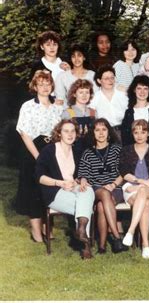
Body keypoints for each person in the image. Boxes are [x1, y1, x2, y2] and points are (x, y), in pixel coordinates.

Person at [35, 119, 95, 259]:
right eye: (66, 131)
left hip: (72, 187)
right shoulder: (49, 150)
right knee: (85, 205)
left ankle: (81, 231)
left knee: (88, 190)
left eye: (73, 131)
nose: (70, 134)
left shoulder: (76, 150)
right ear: (59, 133)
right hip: (53, 191)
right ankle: (85, 245)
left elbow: (79, 174)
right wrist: (59, 183)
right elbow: (39, 177)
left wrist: (81, 180)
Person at [16, 70, 63, 242]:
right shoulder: (28, 106)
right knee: (34, 190)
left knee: (49, 190)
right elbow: (24, 134)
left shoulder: (57, 108)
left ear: (52, 86)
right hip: (33, 151)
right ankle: (36, 231)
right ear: (35, 86)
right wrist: (38, 156)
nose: (44, 87)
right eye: (41, 84)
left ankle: (48, 228)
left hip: (52, 151)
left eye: (48, 84)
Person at [77, 118, 128, 254]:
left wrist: (113, 184)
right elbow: (83, 174)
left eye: (104, 129)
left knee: (101, 206)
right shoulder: (88, 153)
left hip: (115, 188)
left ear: (109, 133)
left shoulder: (117, 150)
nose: (101, 133)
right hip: (96, 189)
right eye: (97, 130)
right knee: (104, 194)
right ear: (92, 133)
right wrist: (82, 179)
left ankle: (102, 246)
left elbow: (124, 172)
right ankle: (117, 238)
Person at [119, 120, 149, 259]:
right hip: (131, 187)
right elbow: (125, 173)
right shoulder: (126, 150)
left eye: (143, 132)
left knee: (143, 192)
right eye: (136, 132)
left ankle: (130, 231)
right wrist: (140, 182)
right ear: (132, 134)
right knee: (146, 205)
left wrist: (145, 184)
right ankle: (146, 245)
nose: (139, 135)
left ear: (148, 134)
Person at [121, 75, 149, 147]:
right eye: (139, 88)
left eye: (145, 89)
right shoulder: (128, 112)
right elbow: (125, 137)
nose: (142, 92)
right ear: (134, 90)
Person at [89, 65, 128, 136]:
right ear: (99, 81)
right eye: (106, 78)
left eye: (112, 78)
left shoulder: (123, 94)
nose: (110, 81)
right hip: (105, 133)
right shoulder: (94, 98)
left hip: (124, 130)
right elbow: (92, 117)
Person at [61, 79, 96, 151]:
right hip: (74, 150)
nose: (84, 95)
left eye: (87, 92)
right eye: (81, 92)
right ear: (74, 94)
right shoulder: (68, 112)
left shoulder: (93, 112)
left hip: (91, 151)